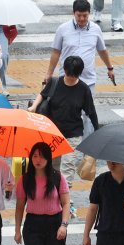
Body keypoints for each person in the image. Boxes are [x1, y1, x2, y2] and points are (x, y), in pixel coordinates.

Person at [46, 0, 115, 140]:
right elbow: (56, 52)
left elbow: (102, 51)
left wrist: (110, 68)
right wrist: (49, 74)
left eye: (85, 15)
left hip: (88, 80)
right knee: (66, 112)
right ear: (73, 13)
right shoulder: (63, 29)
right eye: (79, 16)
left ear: (89, 14)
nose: (82, 19)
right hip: (66, 80)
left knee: (88, 114)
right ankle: (65, 141)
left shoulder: (96, 29)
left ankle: (87, 147)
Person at [13, 142, 70, 245]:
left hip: (54, 223)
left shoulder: (57, 177)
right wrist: (17, 230)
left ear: (48, 158)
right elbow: (19, 206)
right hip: (33, 225)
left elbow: (66, 202)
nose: (38, 160)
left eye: (42, 156)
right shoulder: (25, 179)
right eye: (35, 156)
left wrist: (64, 225)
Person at [29, 56, 98, 188]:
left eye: (75, 75)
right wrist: (33, 107)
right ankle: (53, 195)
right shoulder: (55, 82)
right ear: (65, 70)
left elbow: (91, 112)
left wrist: (97, 130)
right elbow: (42, 94)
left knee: (67, 166)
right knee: (53, 166)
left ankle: (65, 198)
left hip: (73, 133)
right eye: (69, 74)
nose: (71, 78)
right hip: (53, 133)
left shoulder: (83, 89)